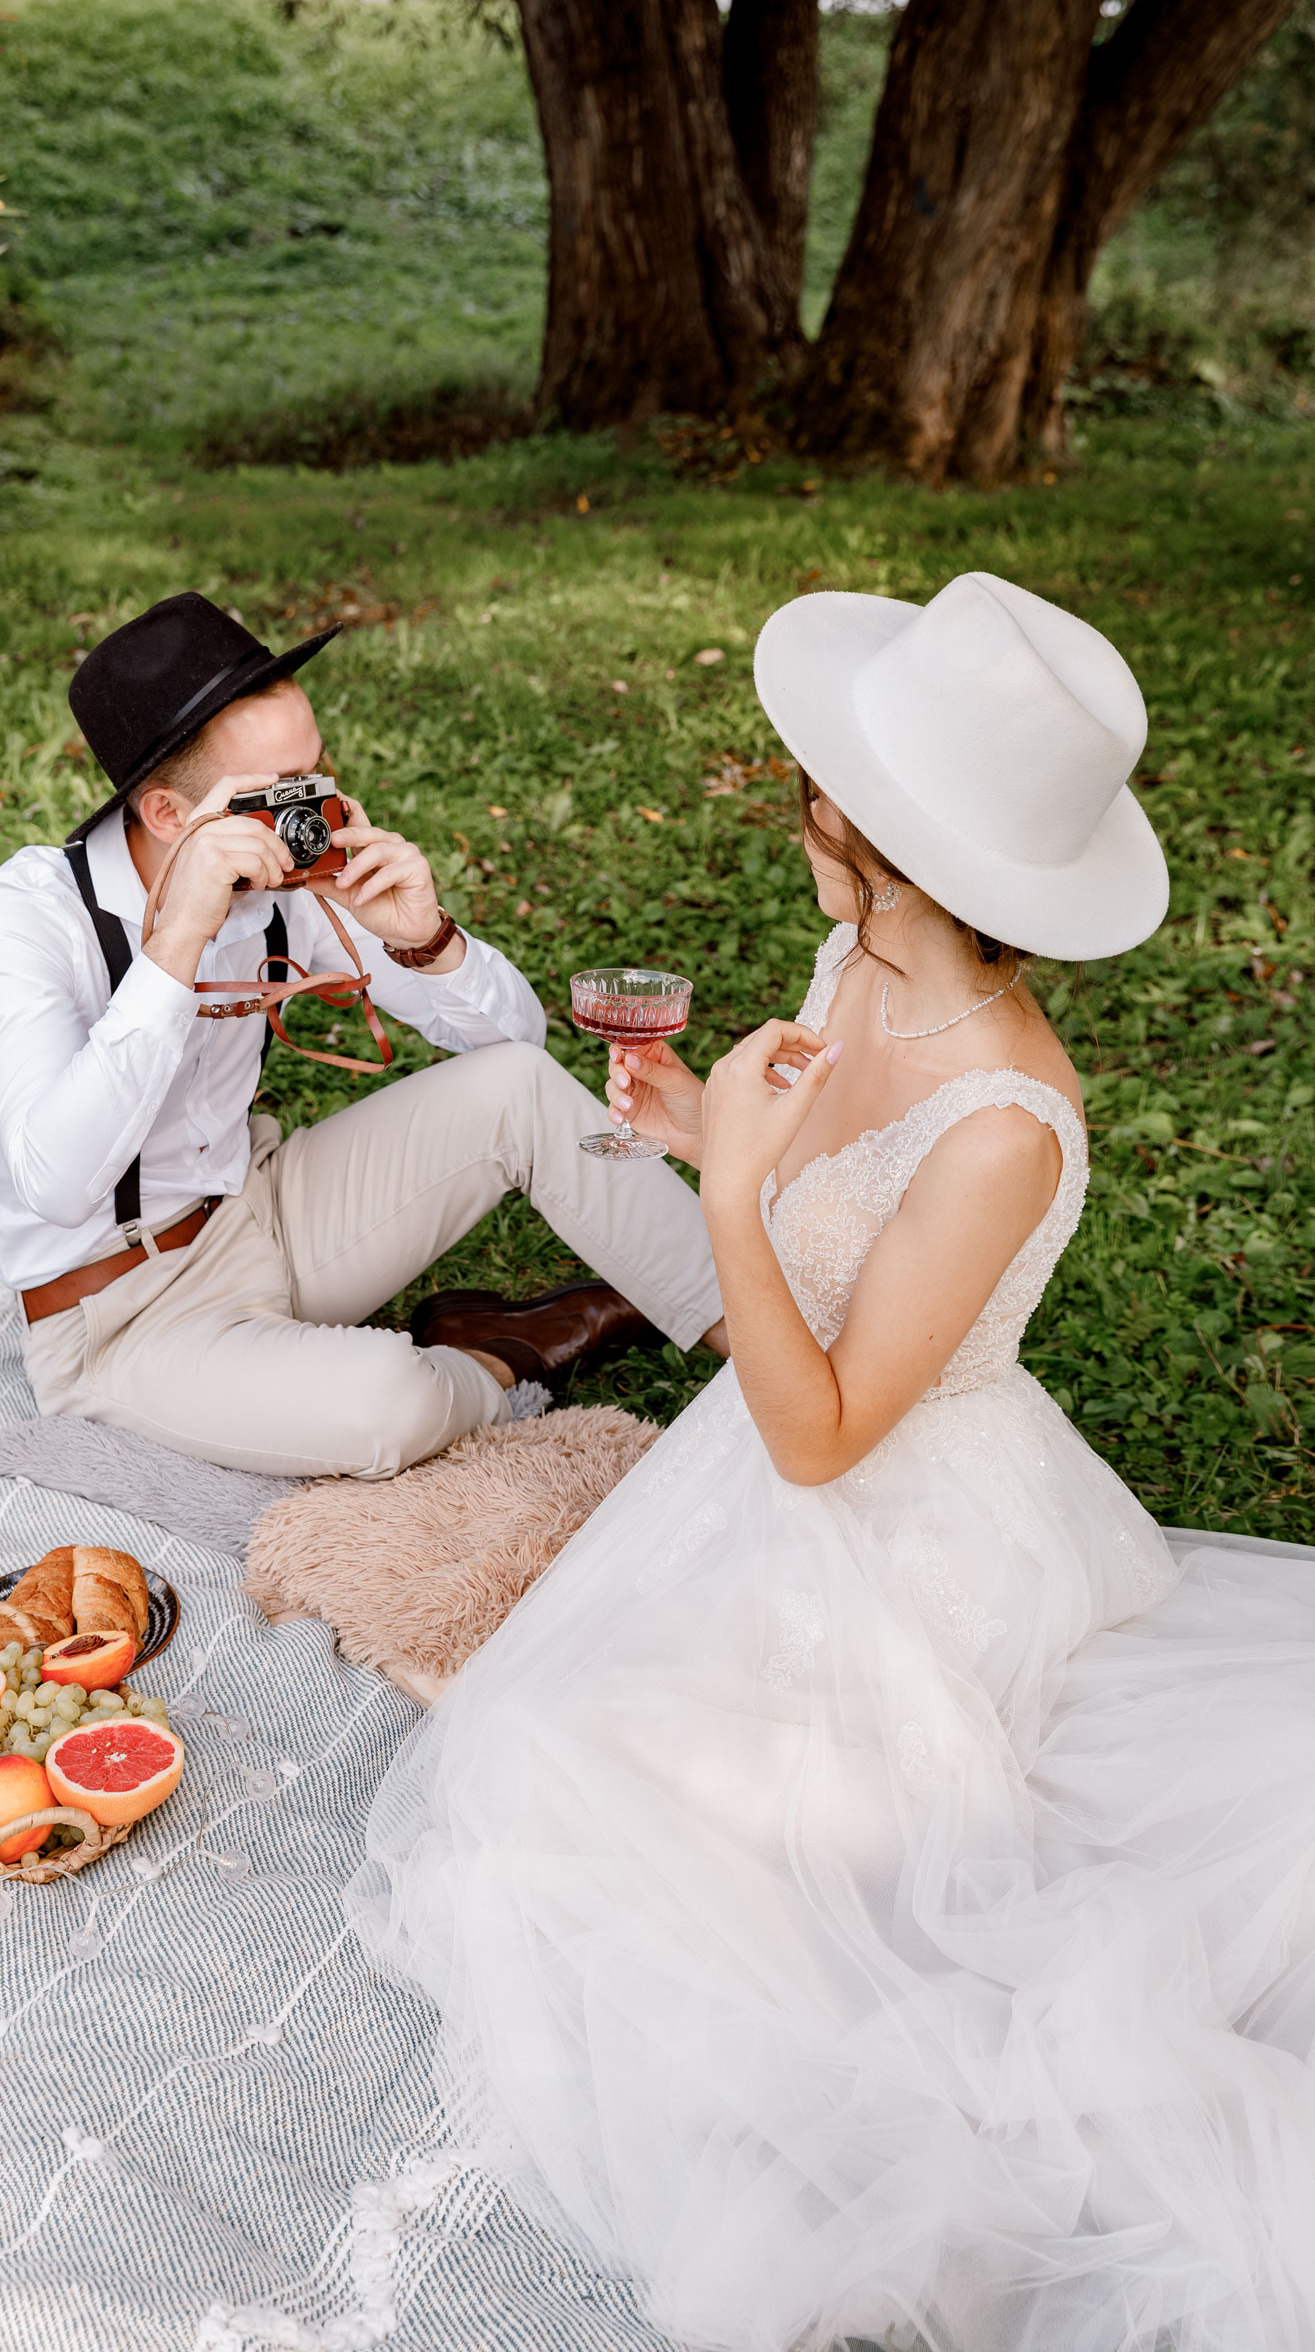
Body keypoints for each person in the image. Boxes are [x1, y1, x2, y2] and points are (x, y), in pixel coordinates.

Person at [351, 571, 1315, 2352]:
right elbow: (796, 1196)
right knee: (553, 1762)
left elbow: (819, 1435)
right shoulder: (853, 963)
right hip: (766, 1475)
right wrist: (706, 1125)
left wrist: (720, 1197)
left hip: (901, 1527)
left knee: (624, 1827)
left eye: (823, 782)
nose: (793, 793)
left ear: (883, 840)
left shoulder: (1007, 1126)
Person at [0, 592, 725, 1478]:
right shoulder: (25, 916)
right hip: (121, 1314)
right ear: (169, 815)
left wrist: (424, 937)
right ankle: (506, 1355)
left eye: (316, 772)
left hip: (264, 1211)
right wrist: (175, 947)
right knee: (384, 1406)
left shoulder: (289, 876)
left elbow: (517, 1049)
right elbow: (51, 1183)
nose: (313, 809)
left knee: (515, 1088)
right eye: (277, 794)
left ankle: (757, 1338)